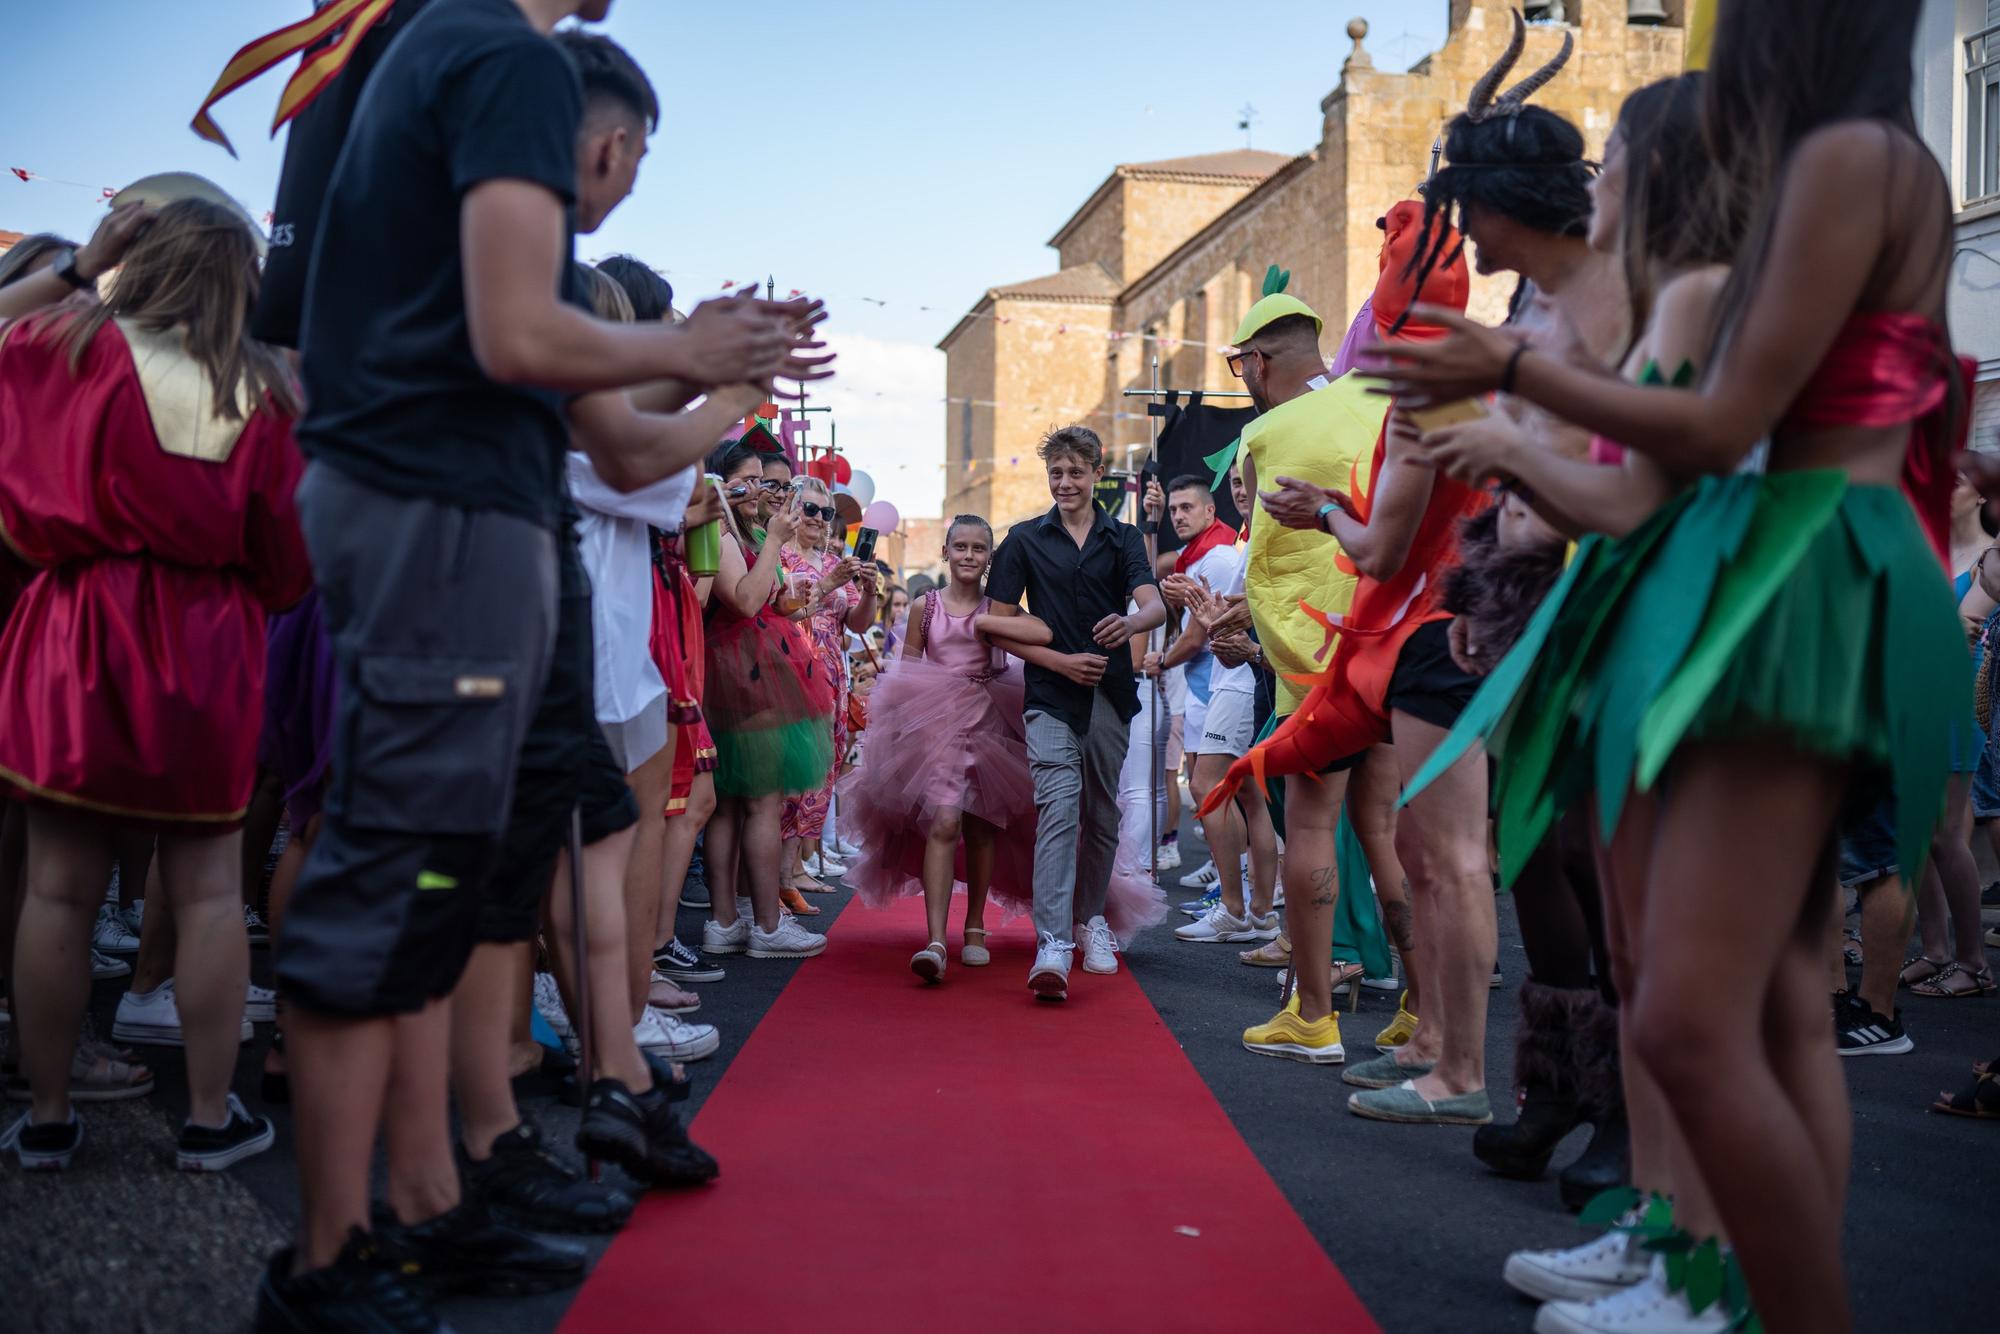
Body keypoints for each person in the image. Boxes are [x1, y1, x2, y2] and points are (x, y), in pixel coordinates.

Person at [1375, 5, 1969, 1327]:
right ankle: (1712, 1277)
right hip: (1804, 576)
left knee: (1703, 1017)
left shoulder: (1846, 163)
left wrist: (1512, 373)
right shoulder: (1881, 164)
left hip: (1786, 586)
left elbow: (1719, 428)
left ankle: (1735, 1290)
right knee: (1751, 1009)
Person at [263, 0, 825, 1324]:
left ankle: (423, 1205)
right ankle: (331, 1259)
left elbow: (609, 430)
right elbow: (515, 328)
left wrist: (716, 375)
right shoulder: (497, 52)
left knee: (446, 880)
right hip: (444, 519)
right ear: (611, 140)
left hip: (448, 515)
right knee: (402, 873)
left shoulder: (420, 49)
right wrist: (697, 349)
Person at [0, 196, 310, 1173]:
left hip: (79, 627)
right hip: (209, 639)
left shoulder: (69, 347)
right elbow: (289, 560)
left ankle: (48, 1114)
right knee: (213, 891)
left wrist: (78, 267)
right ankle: (211, 1117)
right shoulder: (265, 392)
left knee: (56, 889)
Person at [985, 426, 1167, 999]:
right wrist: (1058, 663)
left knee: (1102, 813)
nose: (1065, 483)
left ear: (1097, 472)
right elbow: (996, 624)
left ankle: (1092, 922)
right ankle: (1053, 941)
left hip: (1111, 693)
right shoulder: (1022, 539)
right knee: (1059, 810)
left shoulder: (1125, 538)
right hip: (1049, 697)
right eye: (1056, 473)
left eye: (1075, 472)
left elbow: (1154, 603)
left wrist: (1133, 623)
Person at [842, 517, 1054, 978]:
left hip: (989, 720)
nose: (969, 556)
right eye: (960, 546)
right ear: (944, 551)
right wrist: (901, 729)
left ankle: (975, 925)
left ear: (990, 558)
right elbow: (907, 671)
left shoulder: (998, 609)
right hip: (935, 727)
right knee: (942, 820)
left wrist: (998, 623)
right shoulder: (926, 606)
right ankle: (936, 937)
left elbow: (1043, 631)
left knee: (982, 828)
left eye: (979, 549)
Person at [699, 445, 837, 960]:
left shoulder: (749, 530)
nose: (763, 490)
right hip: (741, 676)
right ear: (723, 483)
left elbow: (771, 598)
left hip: (754, 671)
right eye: (751, 480)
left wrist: (792, 593)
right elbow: (744, 600)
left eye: (769, 482)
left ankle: (727, 922)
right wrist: (777, 543)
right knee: (756, 801)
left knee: (734, 804)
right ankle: (764, 925)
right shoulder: (722, 530)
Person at [1153, 478, 1279, 946]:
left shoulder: (1229, 553)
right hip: (1235, 680)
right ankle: (1258, 912)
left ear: (1209, 512)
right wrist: (1207, 612)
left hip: (1241, 683)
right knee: (1249, 795)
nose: (1243, 491)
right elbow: (1225, 622)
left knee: (1208, 785)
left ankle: (1235, 908)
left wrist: (1203, 616)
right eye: (1237, 483)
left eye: (1251, 482)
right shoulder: (1242, 545)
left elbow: (1227, 630)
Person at [778, 475, 877, 906]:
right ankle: (781, 878)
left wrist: (869, 589)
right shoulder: (778, 557)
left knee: (821, 772)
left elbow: (858, 622)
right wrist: (831, 581)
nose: (820, 519)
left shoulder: (832, 559)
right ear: (793, 511)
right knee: (788, 776)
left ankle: (791, 871)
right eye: (811, 510)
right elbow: (784, 611)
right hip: (789, 671)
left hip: (832, 677)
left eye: (826, 513)